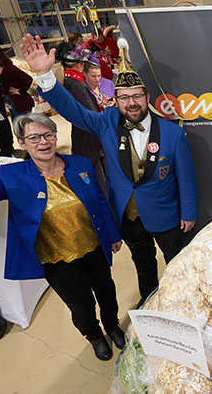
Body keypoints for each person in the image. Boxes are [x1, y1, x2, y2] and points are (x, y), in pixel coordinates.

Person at [0, 113, 126, 361]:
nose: (43, 142)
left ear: (55, 137)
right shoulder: (12, 176)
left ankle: (112, 325)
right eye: (34, 137)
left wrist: (112, 235)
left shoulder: (80, 164)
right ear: (21, 143)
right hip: (56, 260)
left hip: (93, 247)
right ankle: (94, 336)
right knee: (81, 307)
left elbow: (99, 202)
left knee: (106, 291)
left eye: (48, 135)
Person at [20, 34, 198, 306]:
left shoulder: (173, 133)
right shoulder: (106, 122)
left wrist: (189, 213)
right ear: (115, 99)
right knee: (143, 264)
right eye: (124, 97)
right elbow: (73, 110)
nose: (132, 103)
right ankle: (150, 303)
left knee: (178, 263)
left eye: (137, 96)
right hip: (127, 215)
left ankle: (185, 303)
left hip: (166, 215)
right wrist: (45, 75)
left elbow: (186, 178)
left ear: (147, 96)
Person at [56, 42, 108, 192]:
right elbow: (90, 116)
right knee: (99, 181)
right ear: (80, 65)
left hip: (82, 135)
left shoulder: (69, 82)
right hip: (88, 139)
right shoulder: (75, 85)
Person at [0, 42, 35, 119]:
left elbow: (28, 79)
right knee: (17, 127)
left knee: (22, 127)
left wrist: (20, 91)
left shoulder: (8, 67)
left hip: (19, 102)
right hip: (10, 101)